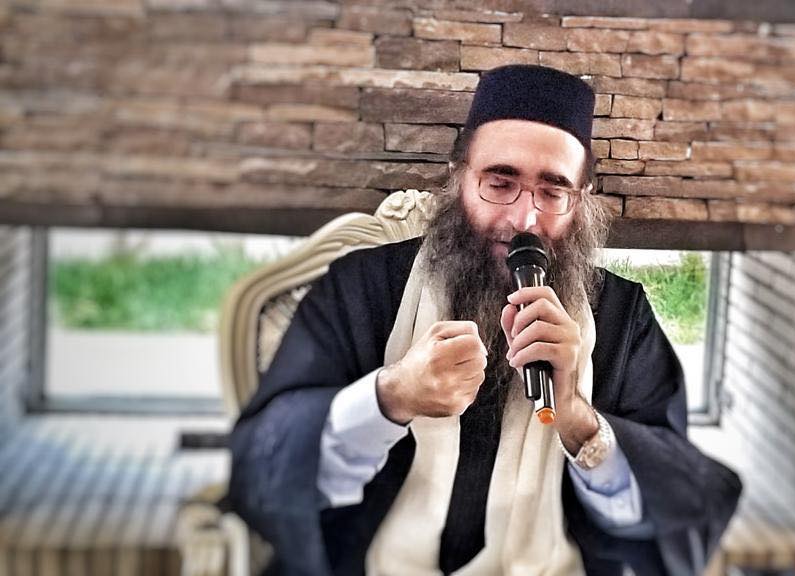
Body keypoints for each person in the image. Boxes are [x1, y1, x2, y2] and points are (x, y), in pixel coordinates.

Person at [227, 65, 741, 576]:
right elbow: (262, 467)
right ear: (459, 178)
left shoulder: (623, 317)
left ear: (580, 201)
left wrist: (574, 416)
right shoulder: (361, 288)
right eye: (500, 182)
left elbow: (681, 504)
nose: (524, 220)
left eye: (553, 192)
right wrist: (390, 397)